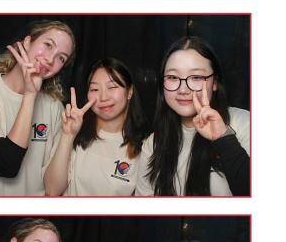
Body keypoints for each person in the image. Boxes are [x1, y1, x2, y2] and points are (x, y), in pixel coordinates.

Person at [135, 36, 250, 196]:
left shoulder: (245, 123)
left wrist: (224, 139)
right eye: (173, 77)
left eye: (196, 77)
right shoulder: (153, 143)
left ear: (215, 82)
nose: (183, 90)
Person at [0, 20, 75, 196]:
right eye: (48, 45)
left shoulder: (54, 107)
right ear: (28, 42)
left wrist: (69, 135)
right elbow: (6, 166)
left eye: (61, 58)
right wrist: (30, 95)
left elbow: (53, 190)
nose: (50, 59)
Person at [44, 58, 148, 196]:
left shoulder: (146, 146)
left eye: (112, 87)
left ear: (129, 92)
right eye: (94, 89)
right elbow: (52, 191)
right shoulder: (72, 132)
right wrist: (68, 136)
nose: (103, 97)